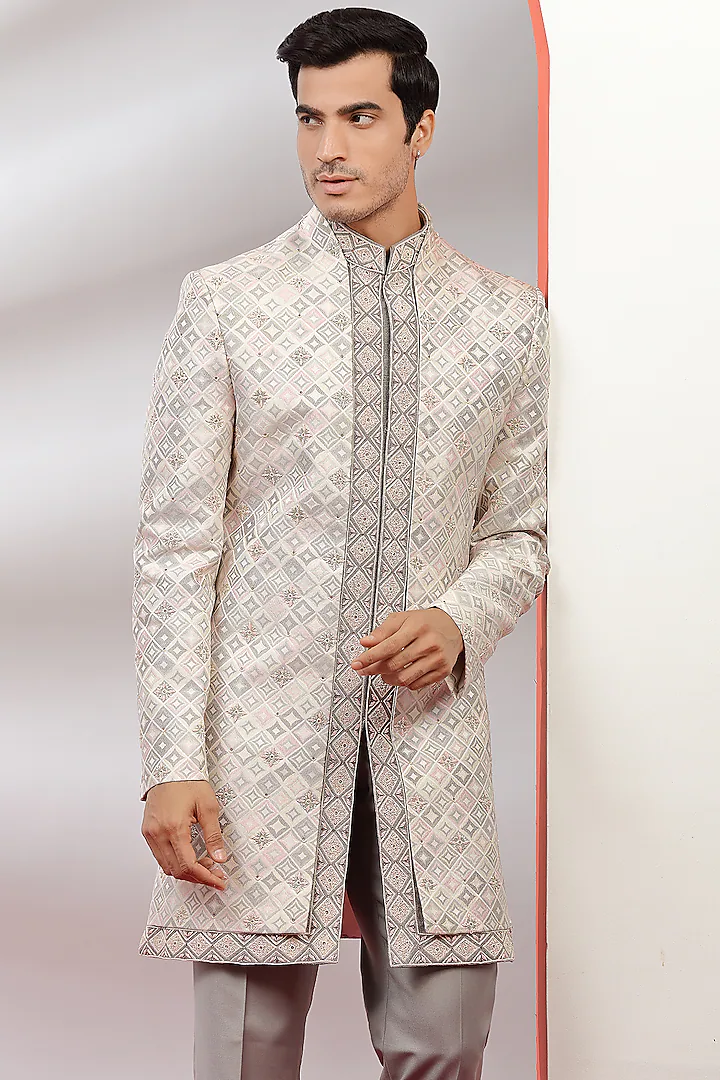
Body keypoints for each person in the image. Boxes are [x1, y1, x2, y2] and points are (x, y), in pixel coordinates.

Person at [131, 7, 551, 1079]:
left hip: (426, 739)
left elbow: (521, 526)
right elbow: (175, 548)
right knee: (245, 1056)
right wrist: (173, 761)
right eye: (309, 119)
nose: (329, 147)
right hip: (258, 746)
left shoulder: (505, 322)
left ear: (421, 128)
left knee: (443, 1049)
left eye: (360, 117)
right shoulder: (229, 305)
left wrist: (459, 618)